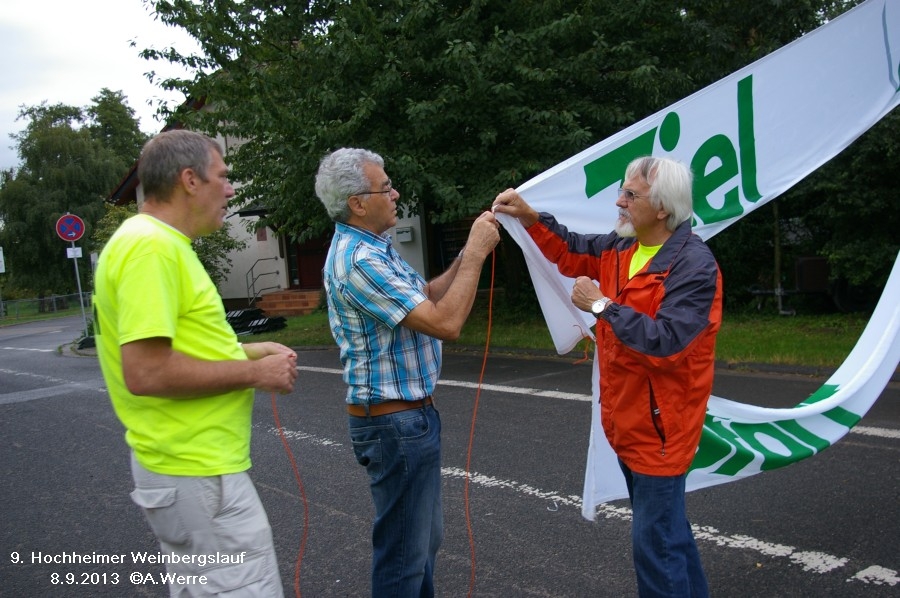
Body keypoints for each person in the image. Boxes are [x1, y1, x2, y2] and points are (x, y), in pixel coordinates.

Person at [493, 156, 722, 598]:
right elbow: (570, 247)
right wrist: (531, 216)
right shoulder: (623, 249)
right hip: (630, 424)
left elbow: (669, 343)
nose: (619, 201)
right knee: (668, 535)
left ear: (662, 208)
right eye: (622, 190)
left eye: (630, 195)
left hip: (661, 432)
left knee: (655, 549)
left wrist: (602, 307)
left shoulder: (694, 265)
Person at [93, 129, 298, 597]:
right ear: (189, 180)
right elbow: (146, 372)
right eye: (223, 177)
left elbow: (169, 350)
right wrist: (253, 372)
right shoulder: (152, 249)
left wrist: (246, 351)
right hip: (196, 471)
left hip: (185, 470)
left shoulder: (151, 243)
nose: (230, 190)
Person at [314, 148, 500, 597]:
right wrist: (475, 254)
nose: (395, 194)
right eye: (386, 187)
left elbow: (428, 296)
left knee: (418, 549)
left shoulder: (375, 249)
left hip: (407, 421)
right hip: (394, 425)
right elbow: (445, 322)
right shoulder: (360, 261)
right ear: (358, 202)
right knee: (403, 558)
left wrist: (466, 251)